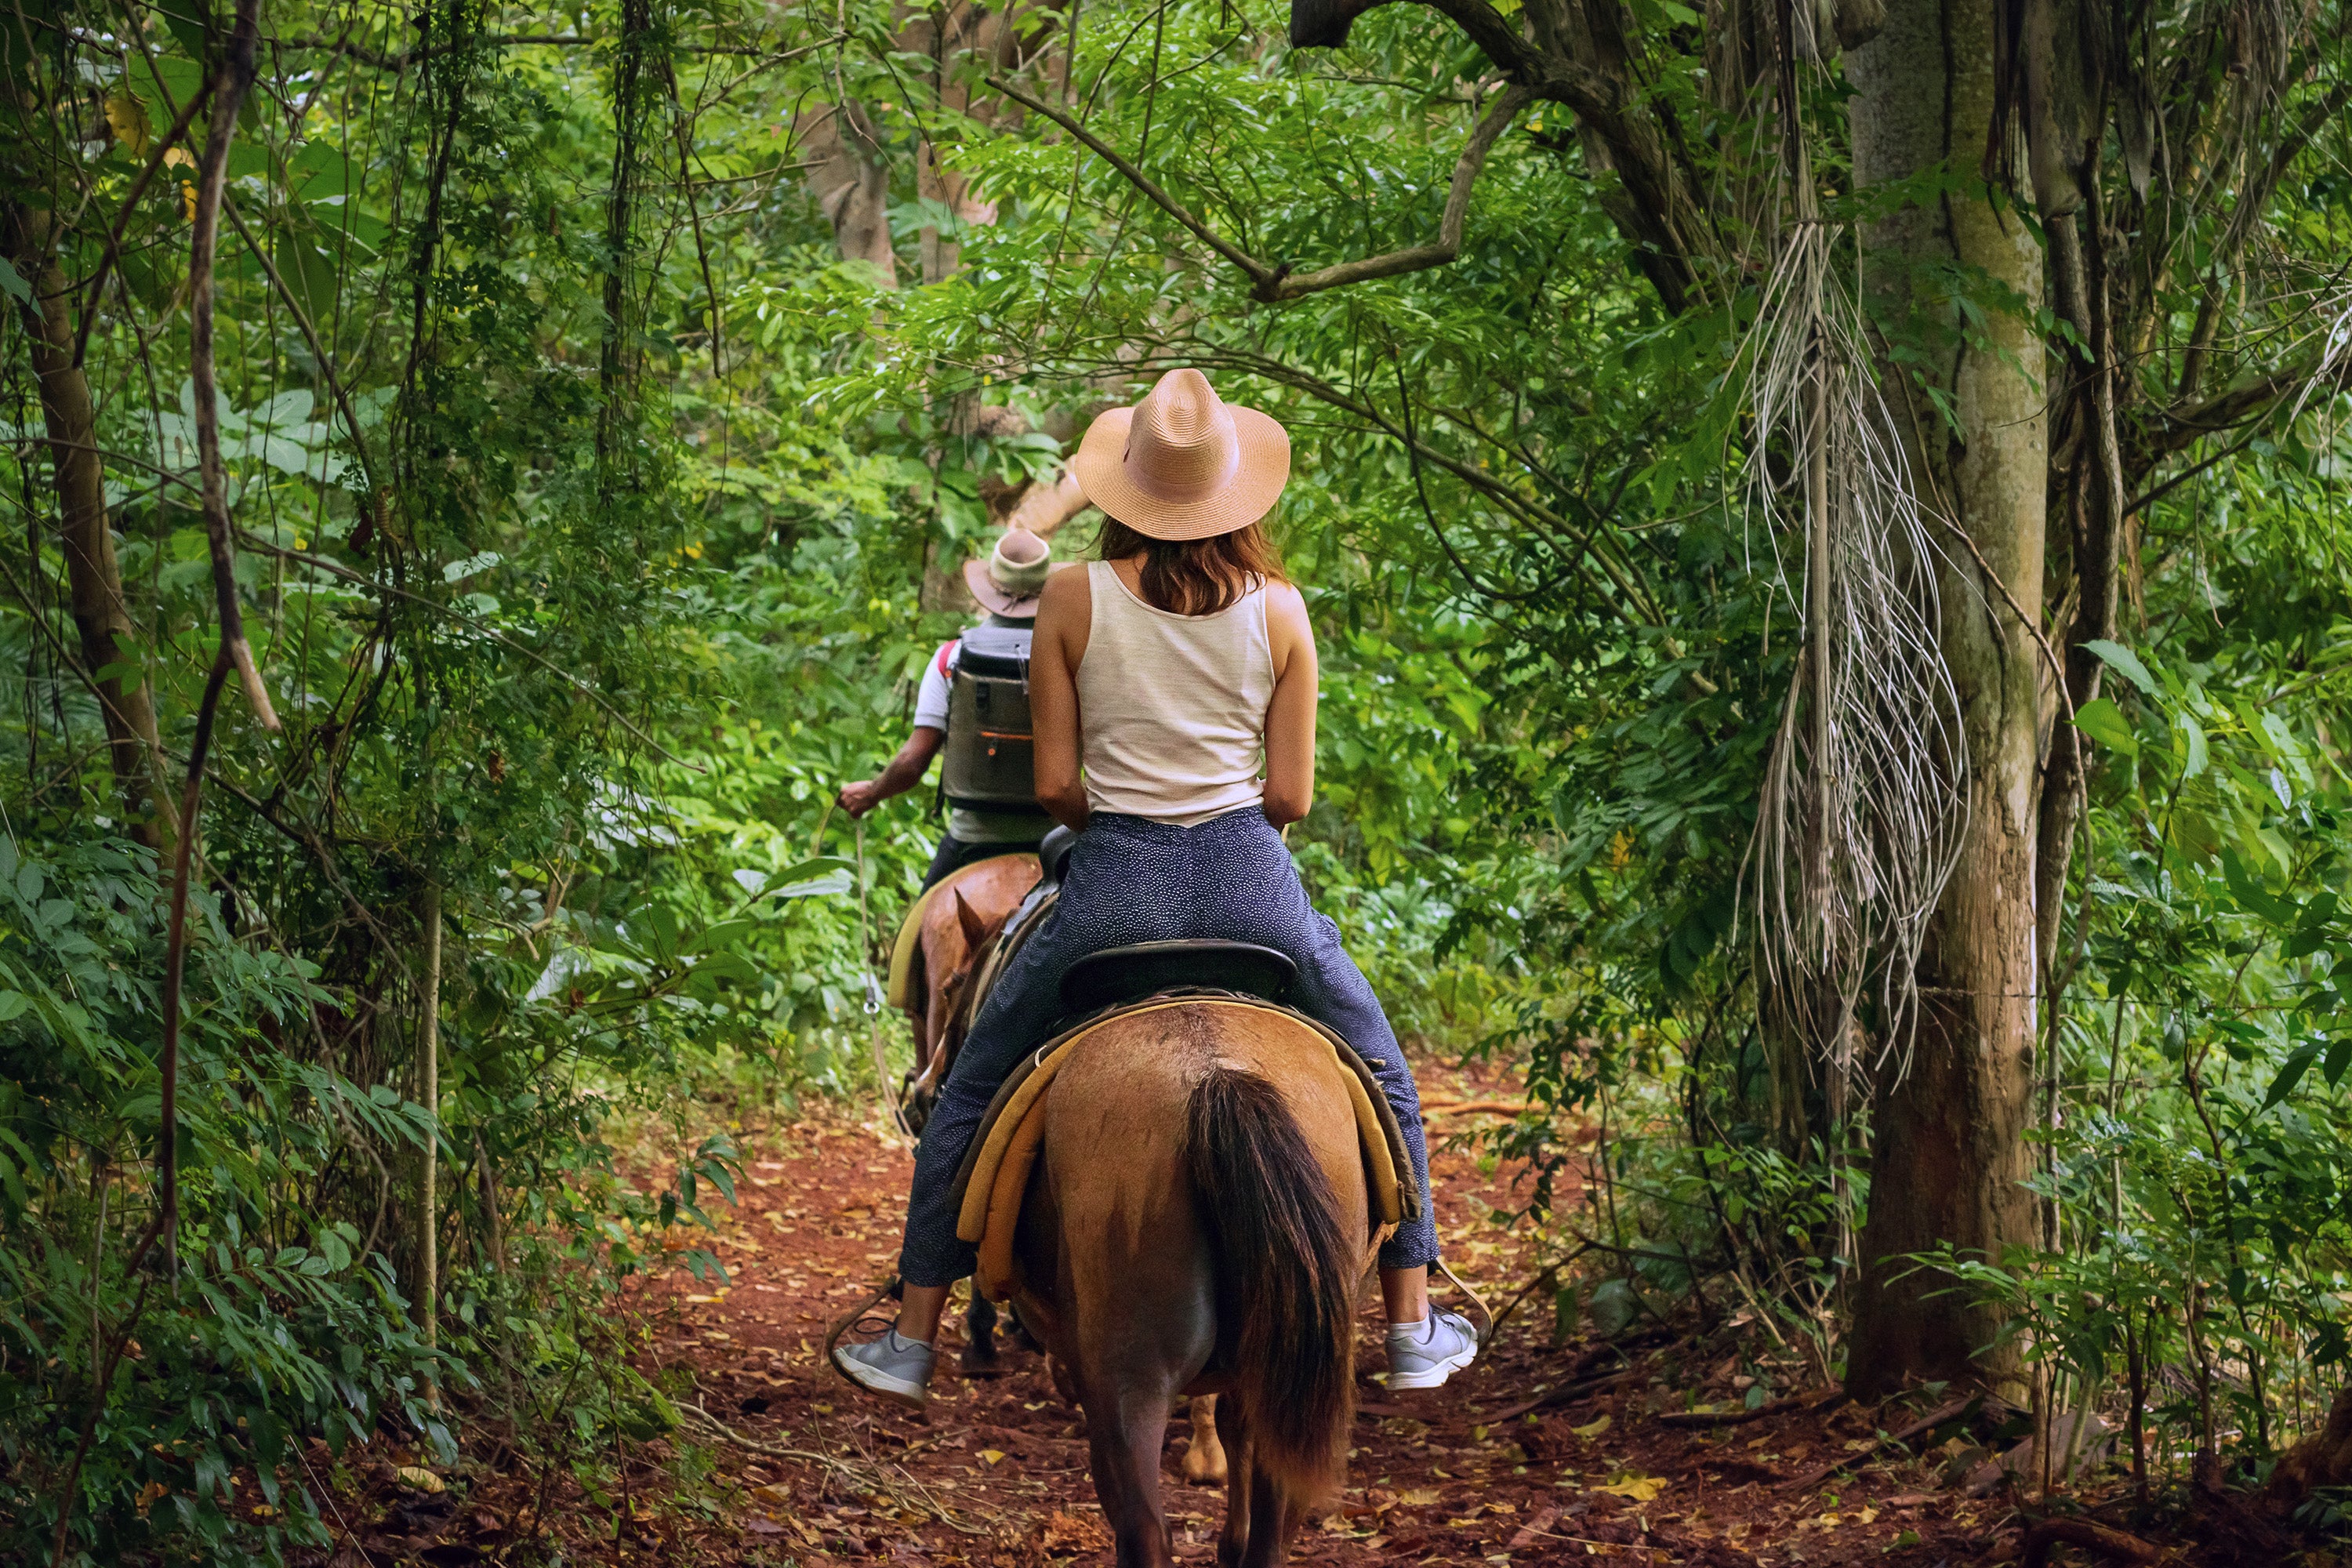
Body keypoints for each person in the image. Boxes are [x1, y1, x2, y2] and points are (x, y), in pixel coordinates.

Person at [833, 368, 1475, 1406]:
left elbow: (1052, 786)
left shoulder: (1075, 598)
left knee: (967, 1082)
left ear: (1127, 491)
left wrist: (1123, 825)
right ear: (1235, 493)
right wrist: (1217, 830)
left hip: (1111, 892)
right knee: (1383, 1069)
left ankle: (912, 1336)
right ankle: (1410, 1326)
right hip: (1250, 886)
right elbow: (1292, 798)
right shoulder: (1283, 610)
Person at [837, 527, 1060, 887]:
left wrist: (871, 793)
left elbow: (913, 762)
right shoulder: (1074, 658)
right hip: (1052, 842)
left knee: (912, 939)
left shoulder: (951, 659)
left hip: (974, 841)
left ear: (991, 588)